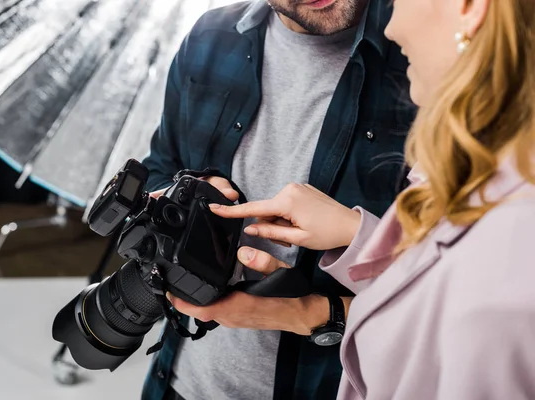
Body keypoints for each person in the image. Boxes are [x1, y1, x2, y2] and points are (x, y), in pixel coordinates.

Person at [202, 0, 535, 398]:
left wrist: (307, 313)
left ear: (470, 6)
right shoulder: (209, 38)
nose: (390, 27)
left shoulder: (509, 280)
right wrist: (353, 232)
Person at [140, 0, 416, 398]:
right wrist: (182, 202)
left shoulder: (424, 56)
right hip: (181, 380)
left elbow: (449, 294)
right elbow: (160, 168)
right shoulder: (210, 37)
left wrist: (304, 313)